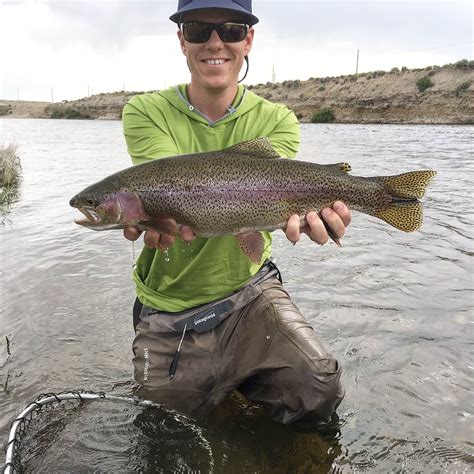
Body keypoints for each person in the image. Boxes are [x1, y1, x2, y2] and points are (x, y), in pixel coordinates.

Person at [122, 0, 351, 425]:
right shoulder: (144, 111)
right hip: (170, 305)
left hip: (251, 292)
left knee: (318, 385)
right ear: (181, 40)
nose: (214, 42)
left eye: (229, 30)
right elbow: (173, 180)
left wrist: (320, 214)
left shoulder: (278, 118)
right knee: (162, 426)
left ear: (248, 39)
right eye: (197, 29)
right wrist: (155, 216)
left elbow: (272, 194)